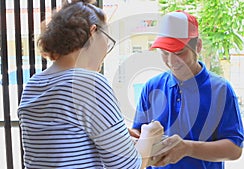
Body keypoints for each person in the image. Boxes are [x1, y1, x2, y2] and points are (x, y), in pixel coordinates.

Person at [17, 0, 163, 168]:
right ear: (92, 33)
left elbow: (64, 143)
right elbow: (129, 166)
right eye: (107, 40)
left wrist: (116, 135)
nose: (107, 50)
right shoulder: (89, 83)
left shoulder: (34, 84)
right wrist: (149, 135)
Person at [131, 10, 244, 169]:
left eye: (179, 53)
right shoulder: (151, 87)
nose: (171, 62)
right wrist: (129, 137)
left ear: (198, 46)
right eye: (164, 53)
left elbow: (234, 149)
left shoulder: (221, 90)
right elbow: (139, 132)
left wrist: (187, 148)